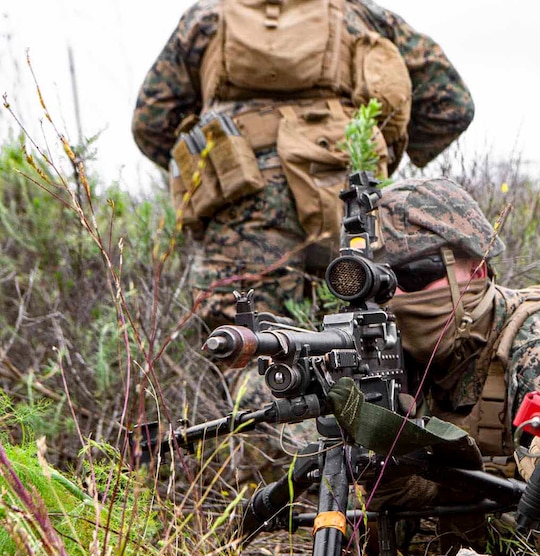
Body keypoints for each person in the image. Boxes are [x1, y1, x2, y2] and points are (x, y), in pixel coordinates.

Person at [132, 0, 475, 328]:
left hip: (242, 201)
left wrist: (209, 172)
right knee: (364, 340)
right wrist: (376, 156)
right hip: (349, 195)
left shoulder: (205, 19)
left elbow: (151, 121)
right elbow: (452, 105)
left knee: (247, 345)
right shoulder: (364, 15)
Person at [368, 177, 540, 556]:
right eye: (380, 283)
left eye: (412, 275)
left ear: (477, 268)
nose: (394, 297)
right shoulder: (396, 359)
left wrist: (443, 490)